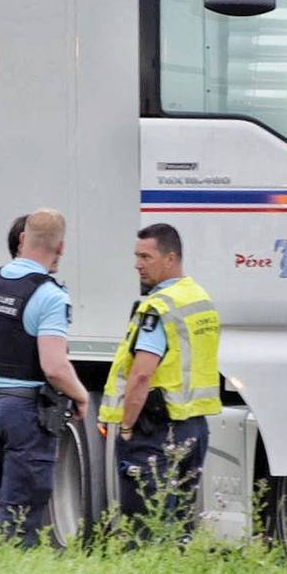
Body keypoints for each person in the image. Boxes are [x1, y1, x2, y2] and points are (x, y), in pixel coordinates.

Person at [0, 208, 88, 546]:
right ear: (60, 248)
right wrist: (81, 395)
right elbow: (54, 367)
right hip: (24, 412)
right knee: (20, 510)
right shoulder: (49, 296)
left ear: (21, 240)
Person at [99, 224, 220, 539]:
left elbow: (141, 374)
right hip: (193, 427)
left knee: (145, 530)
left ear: (170, 258)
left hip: (155, 430)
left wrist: (126, 427)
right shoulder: (199, 298)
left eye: (145, 257)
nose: (137, 264)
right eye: (136, 256)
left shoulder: (158, 307)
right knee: (179, 525)